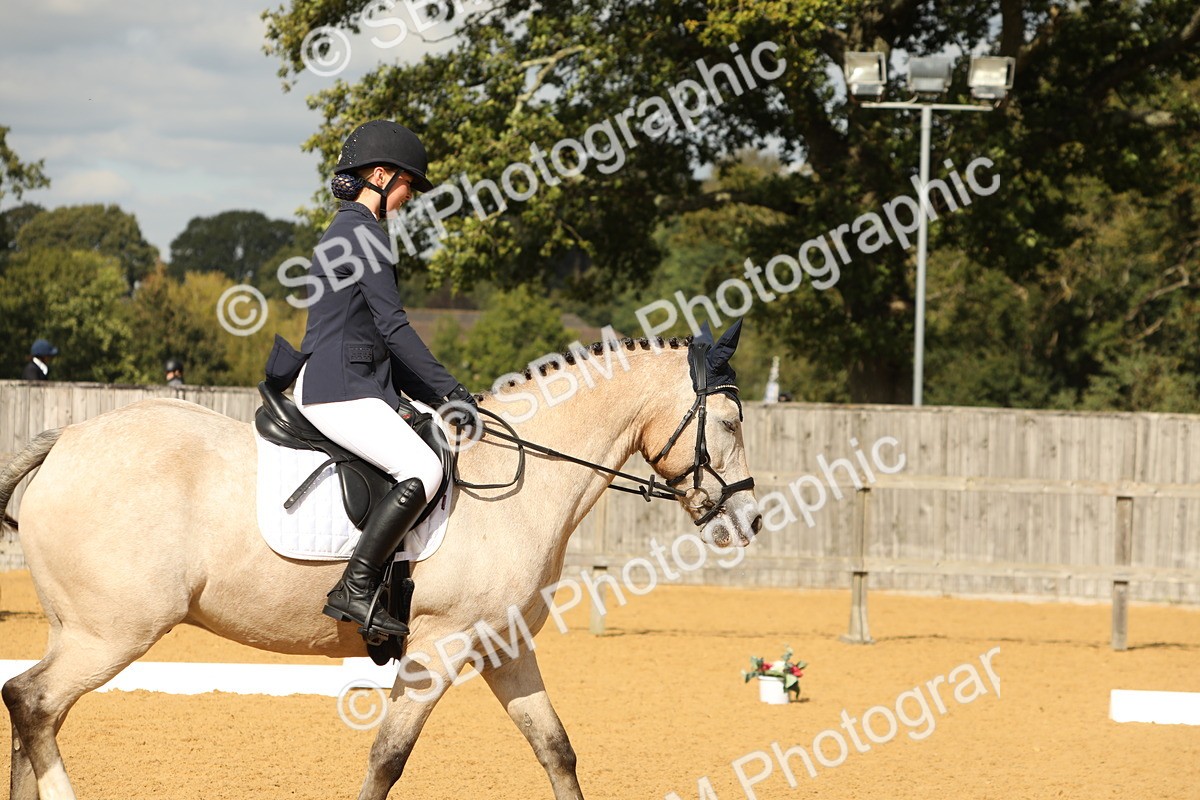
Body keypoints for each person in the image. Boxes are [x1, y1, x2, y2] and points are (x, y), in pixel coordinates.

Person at [270, 119, 477, 639]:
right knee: (423, 468)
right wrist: (451, 391)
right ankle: (356, 587)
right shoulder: (363, 235)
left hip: (350, 382)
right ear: (381, 176)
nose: (410, 197)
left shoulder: (349, 229)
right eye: (408, 184)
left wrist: (434, 399)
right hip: (339, 389)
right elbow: (394, 328)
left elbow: (378, 340)